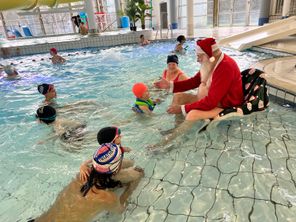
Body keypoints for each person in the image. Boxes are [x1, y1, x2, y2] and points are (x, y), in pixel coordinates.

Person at [151, 37, 243, 149]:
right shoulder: (210, 63)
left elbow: (211, 102)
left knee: (192, 114)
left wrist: (183, 108)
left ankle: (165, 144)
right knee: (178, 97)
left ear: (210, 56)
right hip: (211, 99)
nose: (197, 60)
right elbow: (193, 82)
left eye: (199, 56)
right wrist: (170, 85)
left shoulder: (225, 67)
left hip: (224, 104)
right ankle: (178, 130)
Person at [32, 141, 144, 222]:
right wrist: (131, 186)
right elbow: (121, 210)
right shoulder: (107, 198)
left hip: (40, 219)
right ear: (115, 169)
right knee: (139, 173)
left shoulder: (82, 175)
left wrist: (83, 165)